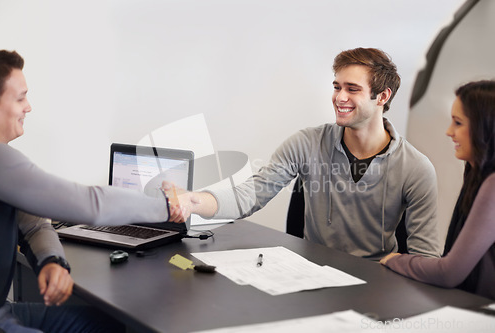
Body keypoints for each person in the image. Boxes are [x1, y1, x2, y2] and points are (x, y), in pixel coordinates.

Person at [175, 47, 441, 260]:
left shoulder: (416, 168)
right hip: (315, 275)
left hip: (376, 283)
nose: (339, 97)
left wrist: (395, 265)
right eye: (337, 87)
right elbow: (251, 194)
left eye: (352, 89)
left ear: (382, 96)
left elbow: (424, 258)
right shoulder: (307, 142)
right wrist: (192, 201)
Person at [0, 50, 182, 332]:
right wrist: (169, 204)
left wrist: (51, 261)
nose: (29, 107)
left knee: (109, 326)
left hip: (1, 310)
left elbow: (32, 223)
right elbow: (91, 204)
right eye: (20, 98)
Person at [380, 80, 495, 300]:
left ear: (486, 128)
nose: (449, 132)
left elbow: (449, 273)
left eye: (458, 123)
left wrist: (394, 259)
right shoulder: (475, 172)